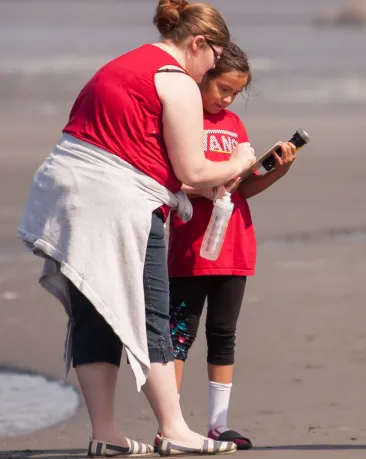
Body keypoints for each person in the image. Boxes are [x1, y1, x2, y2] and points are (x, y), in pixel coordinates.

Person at [17, 0, 257, 456]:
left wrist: (188, 186)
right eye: (211, 59)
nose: (208, 73)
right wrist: (239, 160)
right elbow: (195, 167)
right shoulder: (176, 80)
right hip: (115, 202)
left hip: (63, 192)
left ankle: (105, 434)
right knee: (153, 312)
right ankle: (174, 428)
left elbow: (127, 142)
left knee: (96, 314)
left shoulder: (122, 63)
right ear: (199, 43)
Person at [160, 42, 297, 451]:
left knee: (224, 335)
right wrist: (204, 188)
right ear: (201, 77)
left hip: (234, 244)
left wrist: (278, 170)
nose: (227, 99)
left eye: (235, 93)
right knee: (179, 334)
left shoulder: (235, 123)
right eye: (222, 88)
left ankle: (219, 424)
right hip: (190, 245)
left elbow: (244, 187)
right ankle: (173, 423)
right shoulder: (183, 118)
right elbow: (174, 181)